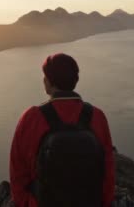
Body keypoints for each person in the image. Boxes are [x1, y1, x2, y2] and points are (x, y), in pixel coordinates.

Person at [9, 53, 115, 207]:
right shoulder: (96, 116)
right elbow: (108, 170)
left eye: (45, 76)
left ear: (48, 82)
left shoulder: (32, 118)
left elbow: (17, 173)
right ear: (75, 80)